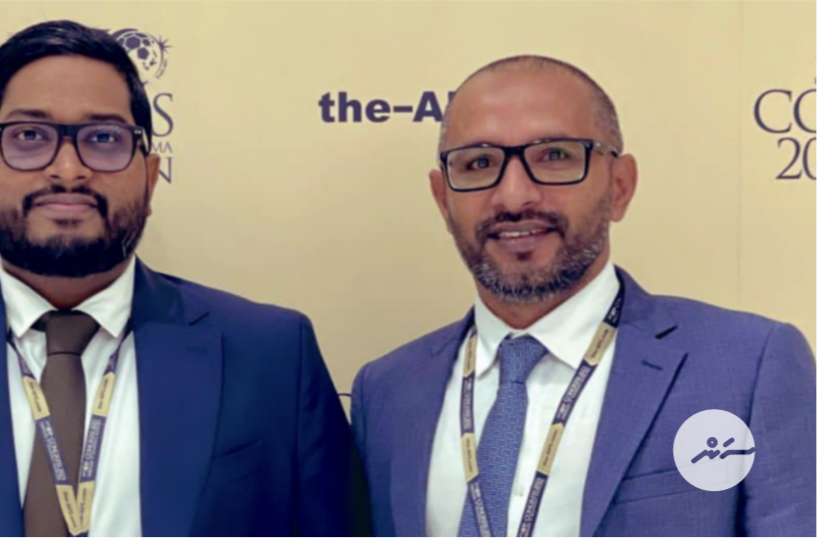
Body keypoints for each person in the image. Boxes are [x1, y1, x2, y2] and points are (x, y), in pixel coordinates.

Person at [0, 20, 366, 538]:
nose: (67, 170)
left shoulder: (271, 356)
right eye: (29, 137)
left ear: (151, 175)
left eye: (104, 139)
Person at [350, 55, 817, 538]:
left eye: (555, 156)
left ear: (620, 186)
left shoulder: (747, 368)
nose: (514, 197)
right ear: (442, 200)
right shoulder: (387, 392)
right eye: (479, 164)